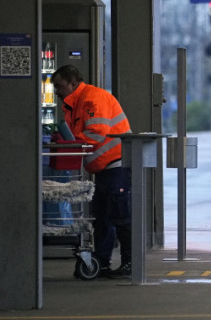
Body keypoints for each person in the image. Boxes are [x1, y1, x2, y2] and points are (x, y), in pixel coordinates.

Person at [51, 64, 133, 278]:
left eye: (59, 86)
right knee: (104, 218)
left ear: (72, 82)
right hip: (104, 167)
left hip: (117, 163)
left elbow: (97, 134)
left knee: (120, 216)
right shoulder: (73, 105)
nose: (57, 92)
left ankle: (130, 263)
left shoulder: (93, 99)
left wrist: (70, 145)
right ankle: (101, 263)